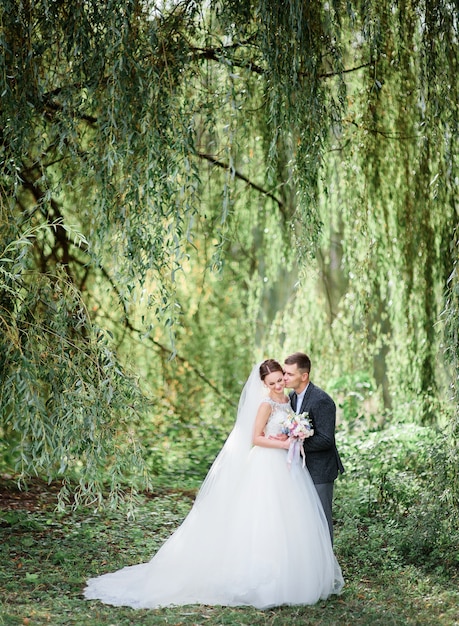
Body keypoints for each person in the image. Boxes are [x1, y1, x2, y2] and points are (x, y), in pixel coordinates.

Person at [84, 359, 344, 610]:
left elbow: (289, 428)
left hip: (289, 468)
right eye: (273, 382)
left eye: (280, 380)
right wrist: (283, 443)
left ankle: (296, 572)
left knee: (292, 518)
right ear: (264, 383)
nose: (278, 385)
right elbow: (255, 438)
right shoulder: (265, 404)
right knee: (264, 518)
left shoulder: (289, 400)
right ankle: (264, 578)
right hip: (267, 464)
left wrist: (292, 434)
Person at [283, 352, 344, 543]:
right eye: (284, 373)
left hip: (320, 470)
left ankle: (326, 570)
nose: (285, 378)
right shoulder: (290, 398)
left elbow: (326, 439)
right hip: (299, 470)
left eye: (289, 374)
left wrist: (296, 442)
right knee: (303, 521)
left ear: (304, 376)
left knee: (321, 520)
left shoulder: (322, 400)